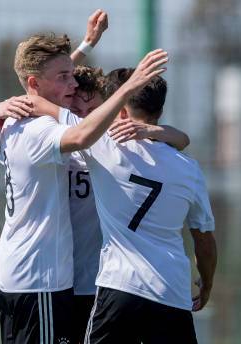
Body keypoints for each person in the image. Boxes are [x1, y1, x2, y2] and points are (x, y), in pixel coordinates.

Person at [0, 31, 168, 343]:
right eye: (64, 77)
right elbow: (81, 134)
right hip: (40, 280)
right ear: (33, 85)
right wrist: (130, 85)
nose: (72, 85)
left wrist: (86, 46)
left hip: (20, 273)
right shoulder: (43, 130)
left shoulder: (12, 121)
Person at [33, 67, 217, 343]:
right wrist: (207, 282)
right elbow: (204, 240)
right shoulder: (189, 169)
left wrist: (2, 107)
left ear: (118, 111)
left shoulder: (103, 147)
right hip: (172, 293)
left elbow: (42, 104)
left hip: (118, 289)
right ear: (159, 110)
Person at [67, 64, 190, 344]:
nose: (87, 119)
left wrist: (150, 130)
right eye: (78, 113)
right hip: (64, 280)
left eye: (93, 111)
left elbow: (182, 139)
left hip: (105, 282)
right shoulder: (67, 141)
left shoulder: (110, 146)